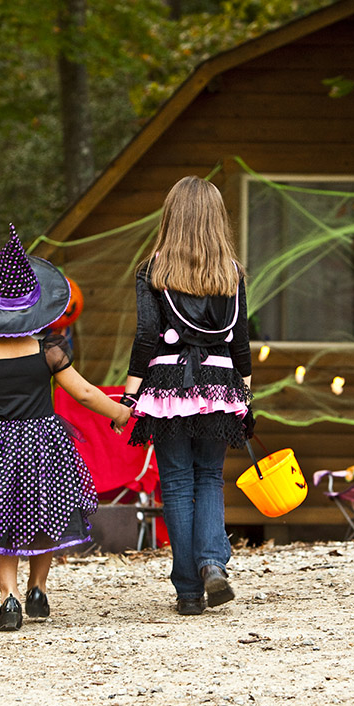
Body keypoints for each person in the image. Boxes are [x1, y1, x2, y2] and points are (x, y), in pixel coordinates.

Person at [0, 226, 132, 632]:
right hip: (44, 447)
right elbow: (83, 392)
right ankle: (38, 587)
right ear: (36, 309)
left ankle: (8, 596)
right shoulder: (49, 352)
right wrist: (118, 413)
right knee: (42, 516)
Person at [119, 176, 253, 616]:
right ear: (217, 220)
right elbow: (240, 341)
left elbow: (145, 338)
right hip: (220, 382)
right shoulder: (231, 272)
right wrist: (245, 393)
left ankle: (188, 592)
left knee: (176, 481)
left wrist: (129, 394)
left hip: (168, 385)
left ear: (171, 216)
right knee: (210, 477)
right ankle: (213, 563)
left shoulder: (153, 271)